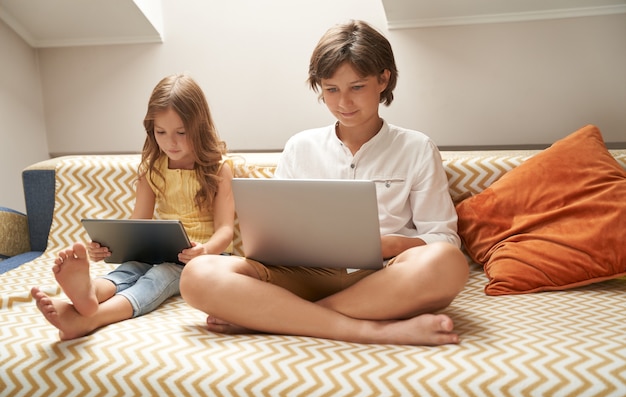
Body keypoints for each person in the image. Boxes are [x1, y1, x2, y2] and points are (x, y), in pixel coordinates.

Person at [180, 20, 469, 346]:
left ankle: (279, 318)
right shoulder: (300, 147)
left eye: (356, 87)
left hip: (383, 278)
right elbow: (273, 232)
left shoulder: (416, 148)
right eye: (331, 90)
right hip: (302, 273)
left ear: (383, 79)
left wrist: (387, 244)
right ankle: (371, 330)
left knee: (448, 263)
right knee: (198, 274)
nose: (343, 103)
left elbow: (444, 238)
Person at [31, 74, 235, 340]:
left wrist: (204, 250)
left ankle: (90, 319)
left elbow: (226, 230)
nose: (170, 142)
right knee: (130, 267)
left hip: (206, 258)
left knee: (160, 275)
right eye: (161, 132)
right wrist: (109, 245)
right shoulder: (152, 170)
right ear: (151, 130)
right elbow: (138, 224)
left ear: (199, 126)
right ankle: (89, 293)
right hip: (160, 250)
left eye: (181, 133)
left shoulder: (219, 169)